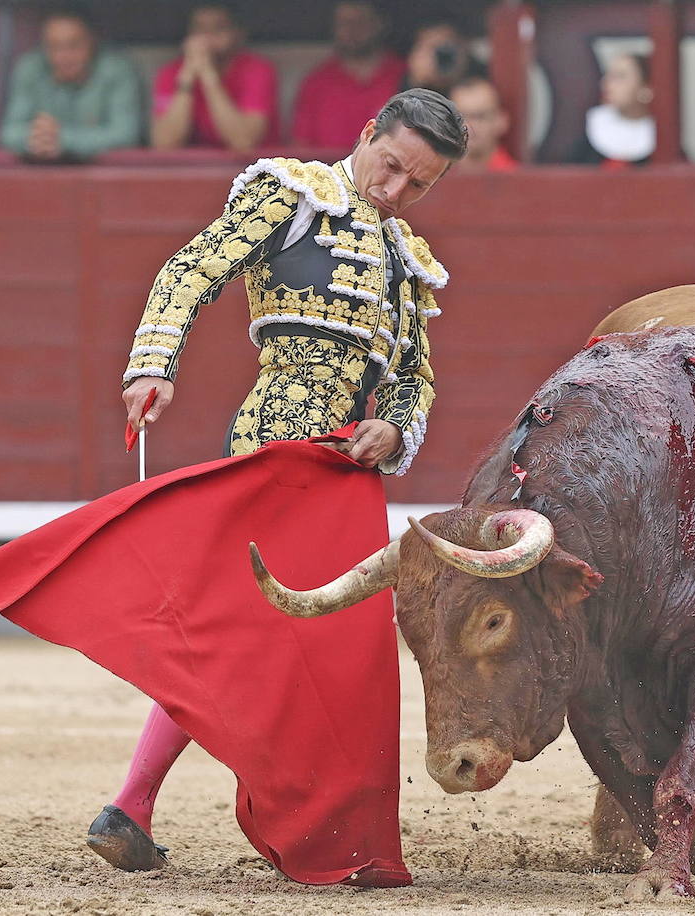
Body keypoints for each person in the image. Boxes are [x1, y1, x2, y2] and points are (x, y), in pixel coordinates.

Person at [92, 89, 467, 876]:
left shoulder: (405, 260)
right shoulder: (294, 198)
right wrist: (154, 363)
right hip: (273, 446)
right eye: (390, 165)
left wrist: (394, 427)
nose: (394, 191)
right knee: (258, 636)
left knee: (321, 651)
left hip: (347, 476)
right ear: (366, 134)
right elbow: (193, 268)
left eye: (418, 184)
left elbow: (411, 378)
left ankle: (161, 809)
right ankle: (145, 805)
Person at [0, 4, 141, 162]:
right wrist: (38, 140)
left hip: (103, 176)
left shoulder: (116, 69)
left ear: (93, 41)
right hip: (42, 173)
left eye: (73, 45)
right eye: (54, 46)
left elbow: (126, 134)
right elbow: (9, 133)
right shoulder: (30, 68)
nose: (63, 56)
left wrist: (63, 139)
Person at [150, 3, 278, 151]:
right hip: (193, 169)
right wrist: (187, 78)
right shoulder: (172, 72)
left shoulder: (257, 70)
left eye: (219, 28)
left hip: (252, 169)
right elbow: (165, 143)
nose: (207, 37)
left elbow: (243, 141)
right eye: (200, 29)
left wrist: (208, 75)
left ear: (239, 33)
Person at [292, 1, 406, 149]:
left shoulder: (404, 75)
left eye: (360, 22)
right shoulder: (316, 82)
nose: (352, 30)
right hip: (329, 170)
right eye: (344, 23)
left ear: (380, 24)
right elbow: (300, 147)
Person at [573, 53, 656, 168]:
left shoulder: (661, 136)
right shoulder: (589, 126)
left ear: (645, 88)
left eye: (620, 76)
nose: (607, 84)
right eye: (608, 76)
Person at [449, 75, 517, 172]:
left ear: (501, 121)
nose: (469, 126)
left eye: (480, 116)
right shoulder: (435, 177)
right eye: (460, 118)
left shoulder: (515, 178)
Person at [401, 19, 485, 95]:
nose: (442, 55)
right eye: (431, 48)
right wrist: (415, 81)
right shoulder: (406, 89)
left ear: (464, 45)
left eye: (446, 46)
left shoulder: (485, 81)